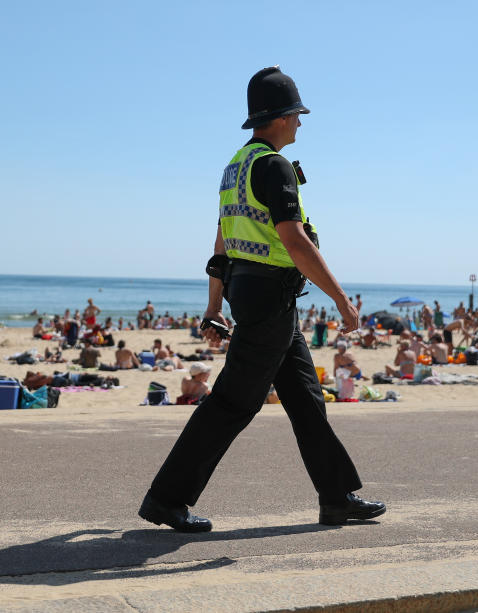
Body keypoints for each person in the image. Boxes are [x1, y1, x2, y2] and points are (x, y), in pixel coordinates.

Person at [139, 67, 384, 533]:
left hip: (255, 294)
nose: (300, 124)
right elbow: (295, 242)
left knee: (307, 398)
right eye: (297, 114)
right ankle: (166, 499)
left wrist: (214, 305)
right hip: (269, 295)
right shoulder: (272, 166)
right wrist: (341, 300)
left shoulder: (235, 166)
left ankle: (336, 498)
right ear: (279, 117)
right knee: (233, 402)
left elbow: (221, 245)